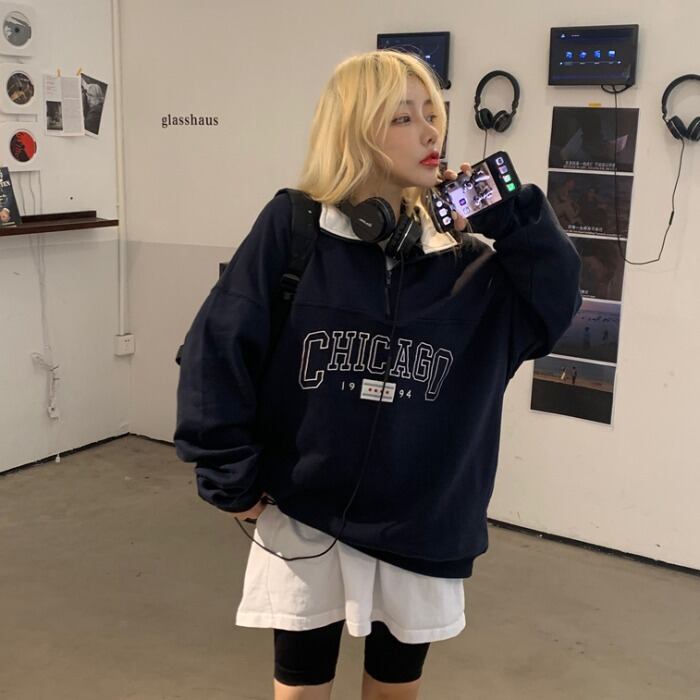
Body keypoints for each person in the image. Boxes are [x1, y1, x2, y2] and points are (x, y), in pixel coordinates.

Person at [174, 50, 581, 700]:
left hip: (422, 523)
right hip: (304, 514)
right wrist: (229, 477)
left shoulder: (466, 264)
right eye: (402, 117)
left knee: (394, 690)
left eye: (431, 114)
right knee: (301, 688)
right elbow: (217, 350)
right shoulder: (295, 229)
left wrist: (507, 212)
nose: (429, 131)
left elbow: (554, 305)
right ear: (355, 130)